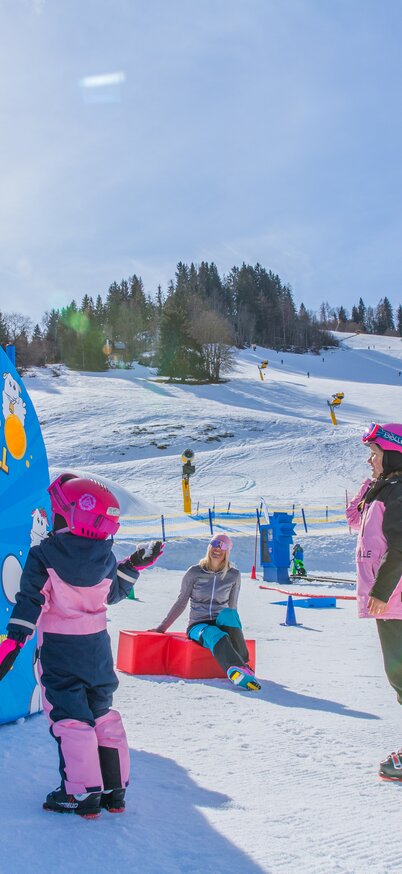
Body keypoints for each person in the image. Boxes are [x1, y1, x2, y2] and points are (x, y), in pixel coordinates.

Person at [0, 473, 163, 817]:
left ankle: (81, 793)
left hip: (61, 650)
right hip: (98, 650)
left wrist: (12, 644)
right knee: (101, 712)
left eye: (57, 512)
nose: (53, 516)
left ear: (69, 518)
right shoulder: (105, 557)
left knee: (71, 719)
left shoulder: (44, 555)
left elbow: (31, 601)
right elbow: (114, 593)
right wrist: (132, 566)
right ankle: (114, 789)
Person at [346, 423, 402, 781]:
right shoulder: (385, 491)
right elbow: (353, 519)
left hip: (394, 599)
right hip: (391, 602)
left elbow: (400, 547)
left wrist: (381, 592)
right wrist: (370, 483)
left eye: (375, 454)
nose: (369, 461)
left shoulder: (397, 494)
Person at [152, 534, 261, 691]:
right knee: (214, 633)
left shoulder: (233, 575)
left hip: (221, 620)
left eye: (222, 546)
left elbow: (233, 607)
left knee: (229, 614)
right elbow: (181, 602)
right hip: (199, 625)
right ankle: (237, 670)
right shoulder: (195, 572)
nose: (217, 549)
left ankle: (243, 666)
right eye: (215, 544)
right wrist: (162, 628)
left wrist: (234, 629)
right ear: (209, 547)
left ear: (227, 551)